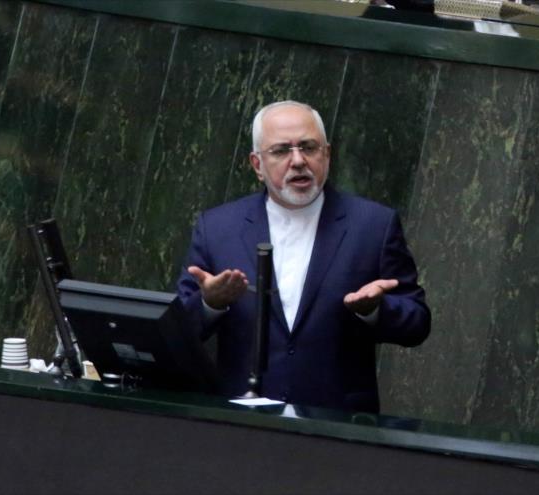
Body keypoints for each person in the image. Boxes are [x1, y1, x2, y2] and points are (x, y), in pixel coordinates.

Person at [176, 100, 430, 412]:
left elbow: (417, 322)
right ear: (257, 165)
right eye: (282, 150)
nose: (298, 161)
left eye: (308, 147)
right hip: (241, 423)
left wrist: (375, 311)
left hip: (338, 424)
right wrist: (210, 303)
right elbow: (177, 333)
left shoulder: (373, 225)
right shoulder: (217, 227)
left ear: (327, 154)